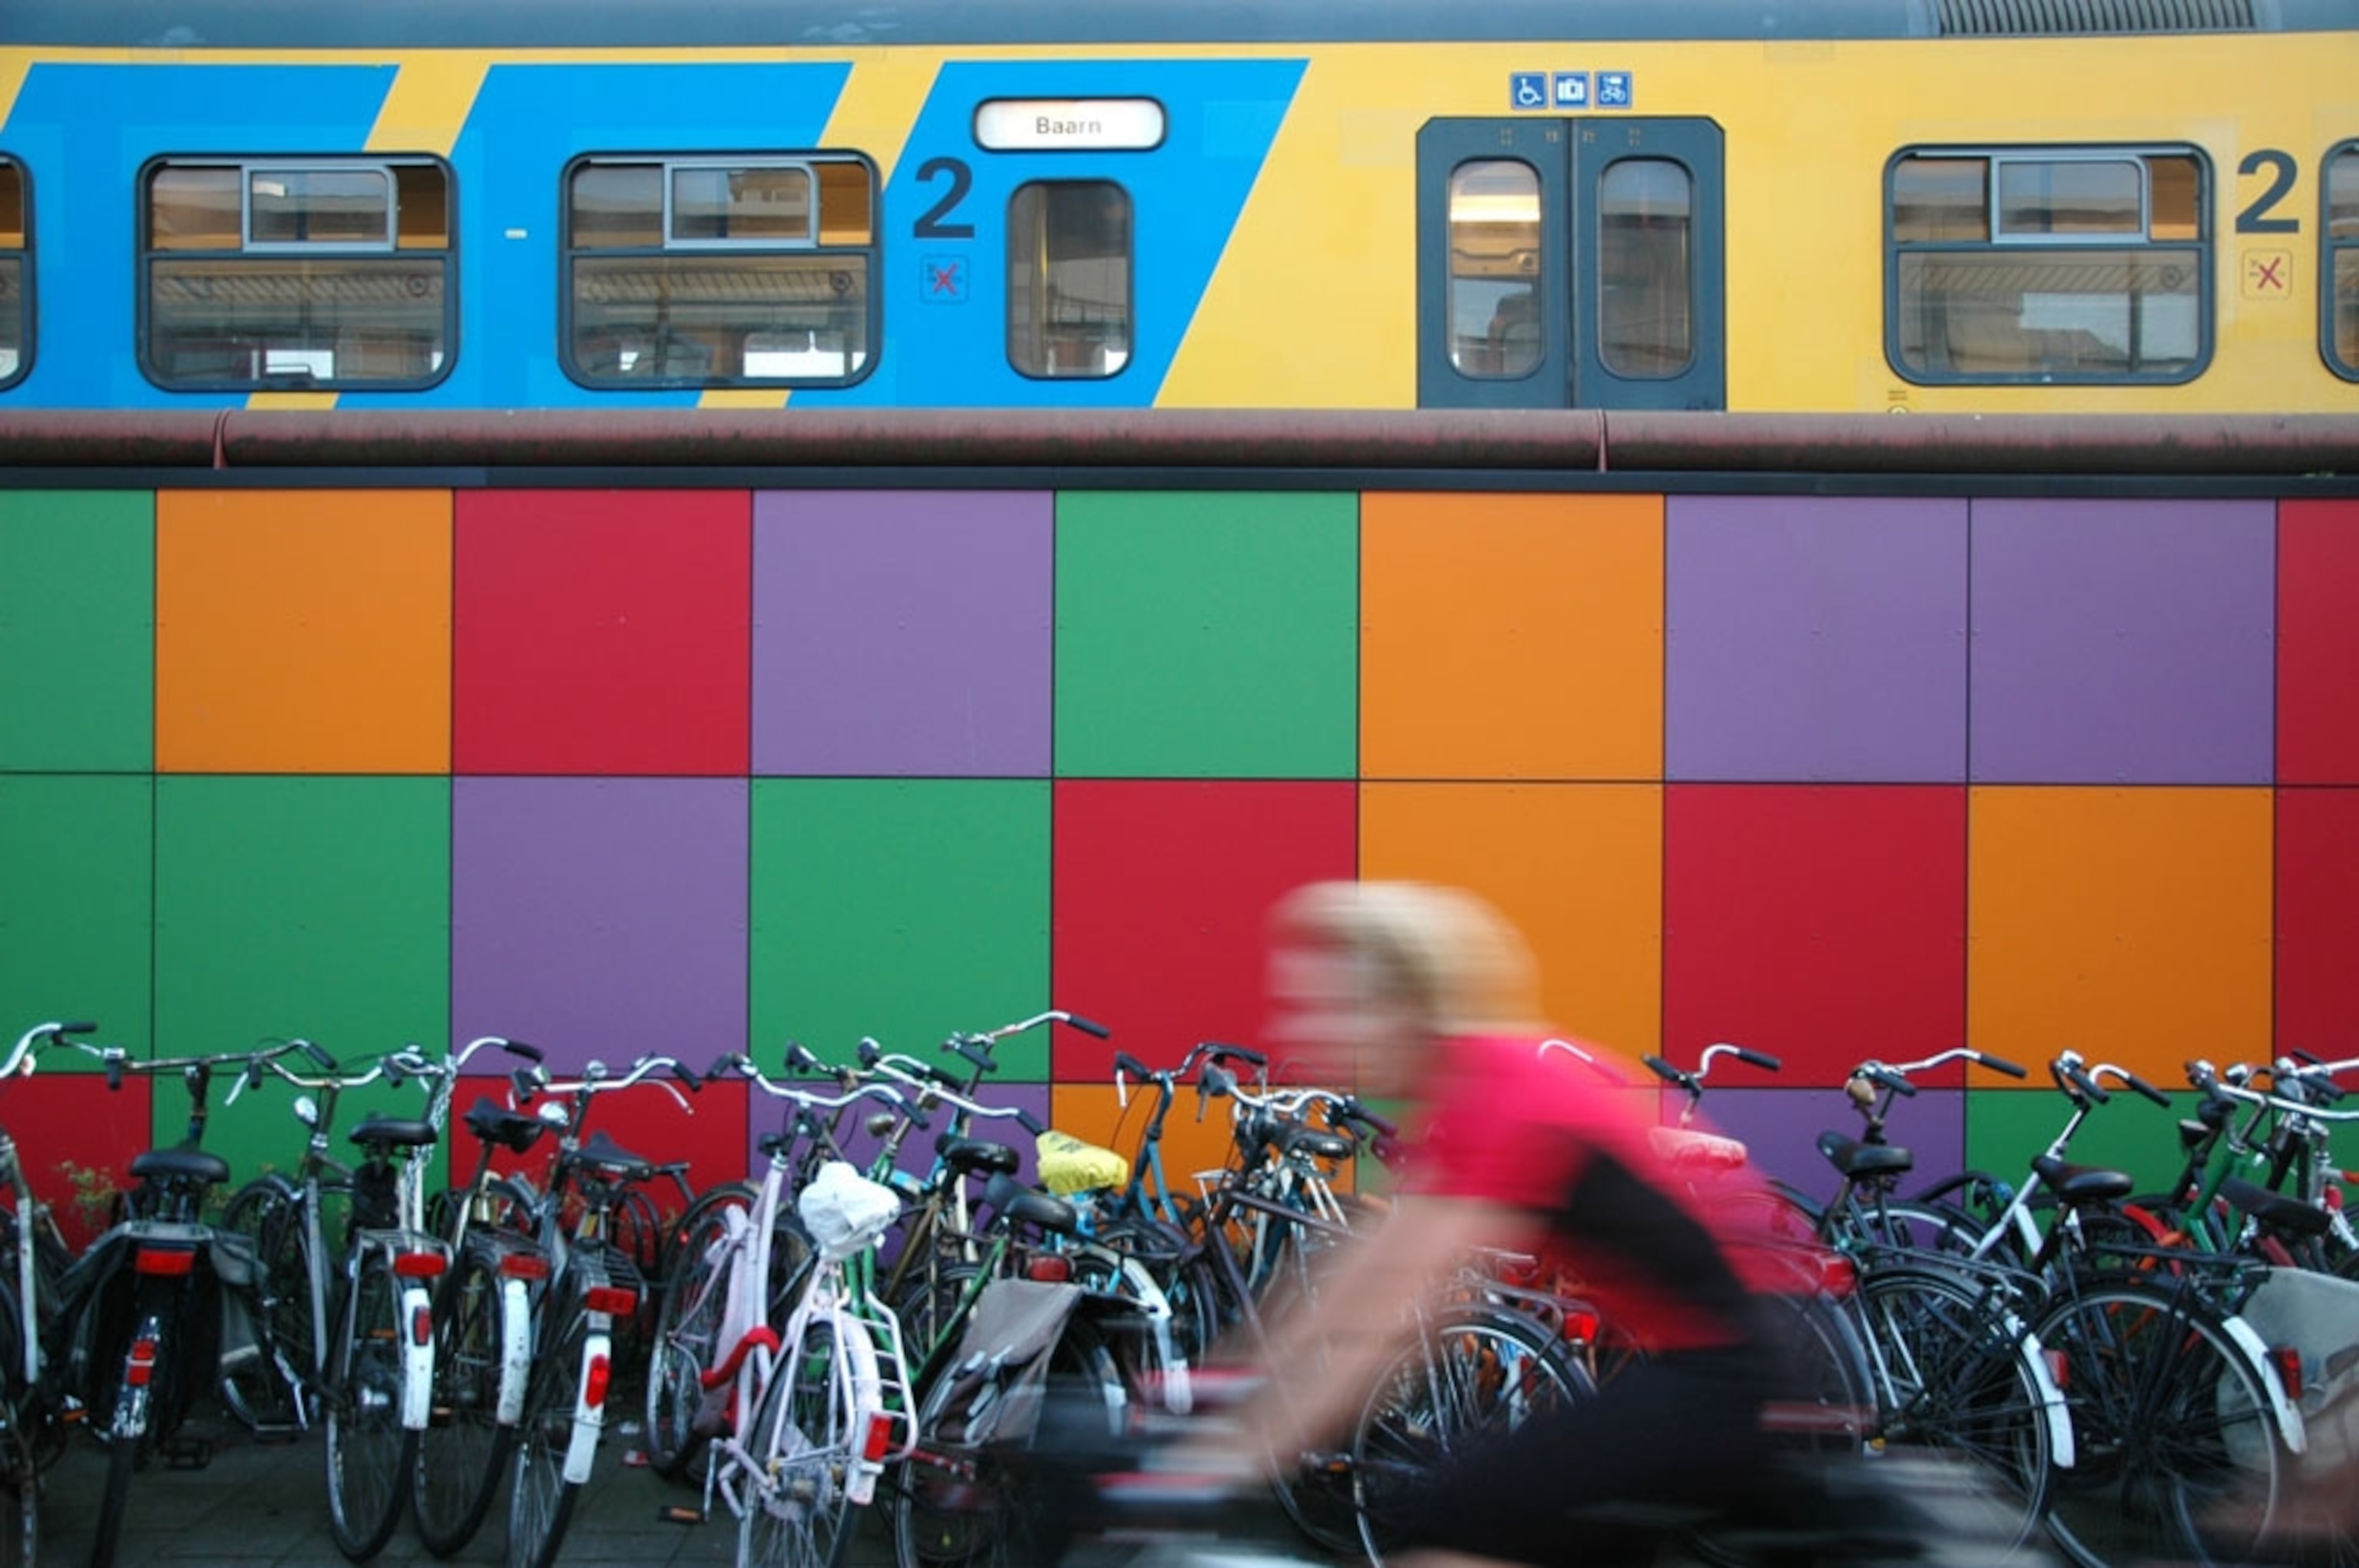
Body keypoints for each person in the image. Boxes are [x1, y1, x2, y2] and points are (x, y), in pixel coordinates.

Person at [1188, 878, 1802, 1568]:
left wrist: (1237, 1454)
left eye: (1332, 1007)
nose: (1303, 1030)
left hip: (1724, 1377)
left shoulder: (1499, 1095)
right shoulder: (1468, 1087)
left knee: (1451, 1530)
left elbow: (1379, 1323)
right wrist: (1222, 1395)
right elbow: (1358, 1276)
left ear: (1405, 1004)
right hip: (1705, 1369)